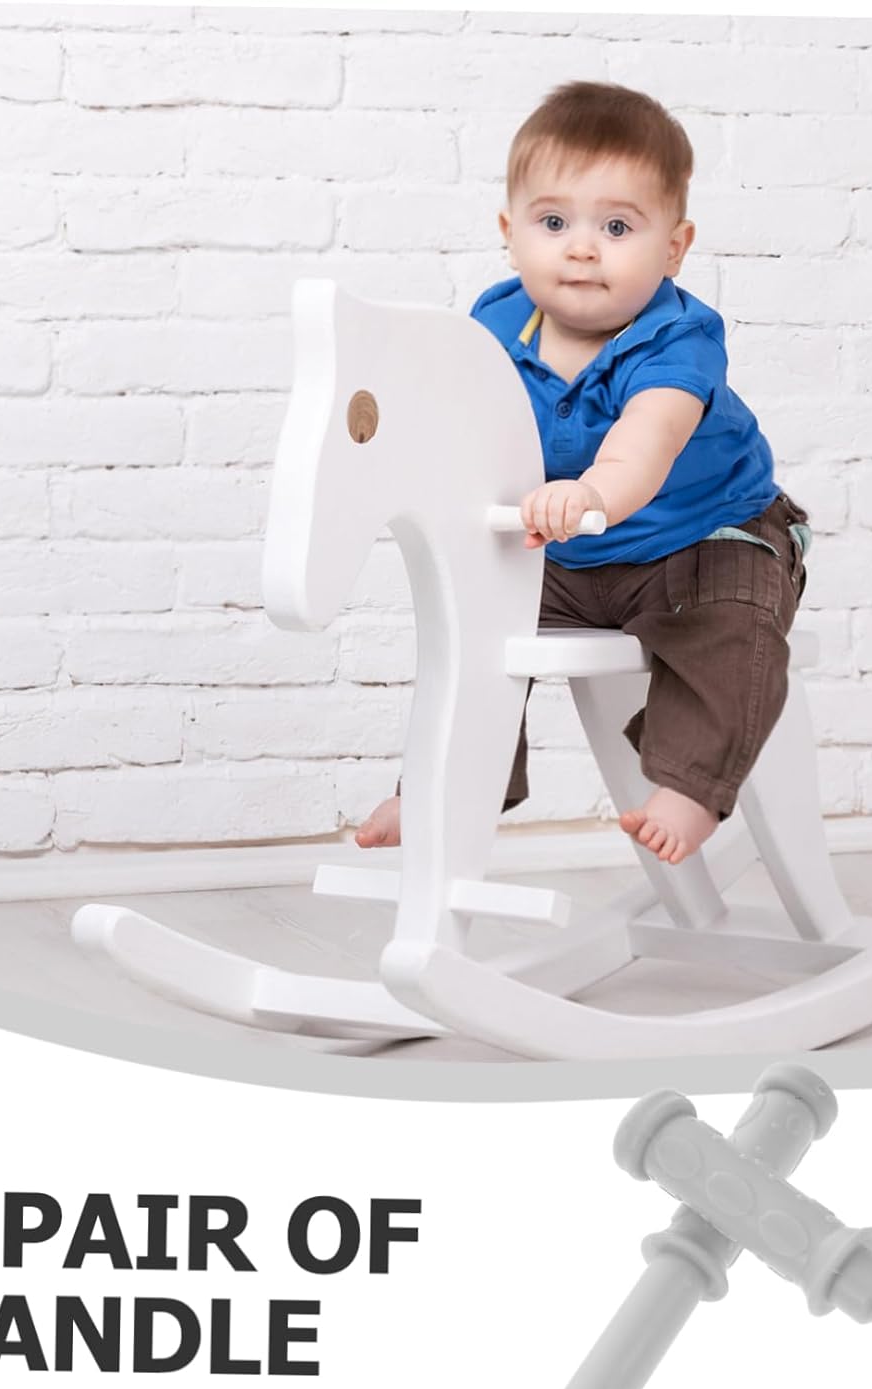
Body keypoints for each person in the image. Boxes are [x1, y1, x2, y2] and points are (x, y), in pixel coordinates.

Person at [357, 80, 808, 865]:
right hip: (569, 552)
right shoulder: (495, 325)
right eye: (554, 222)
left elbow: (647, 444)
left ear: (674, 247)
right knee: (473, 626)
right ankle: (441, 785)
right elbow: (457, 425)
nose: (582, 247)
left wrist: (593, 492)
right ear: (511, 233)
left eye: (618, 226)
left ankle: (692, 786)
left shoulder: (678, 338)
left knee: (733, 623)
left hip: (703, 536)